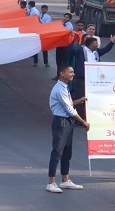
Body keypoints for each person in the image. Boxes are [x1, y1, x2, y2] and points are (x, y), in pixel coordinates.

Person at [47, 64, 89, 193]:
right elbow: (69, 109)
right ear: (62, 73)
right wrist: (83, 122)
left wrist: (79, 100)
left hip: (67, 122)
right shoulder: (59, 89)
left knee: (67, 153)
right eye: (70, 72)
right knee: (57, 152)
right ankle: (51, 182)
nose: (73, 74)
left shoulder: (64, 87)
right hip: (61, 122)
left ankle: (65, 180)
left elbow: (68, 104)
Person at [70, 35, 115, 118]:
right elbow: (72, 50)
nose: (97, 45)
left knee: (92, 98)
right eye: (96, 43)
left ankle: (90, 117)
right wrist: (73, 41)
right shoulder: (81, 50)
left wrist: (111, 42)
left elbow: (105, 50)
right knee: (81, 98)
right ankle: (78, 119)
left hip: (93, 80)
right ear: (90, 44)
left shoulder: (96, 52)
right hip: (82, 79)